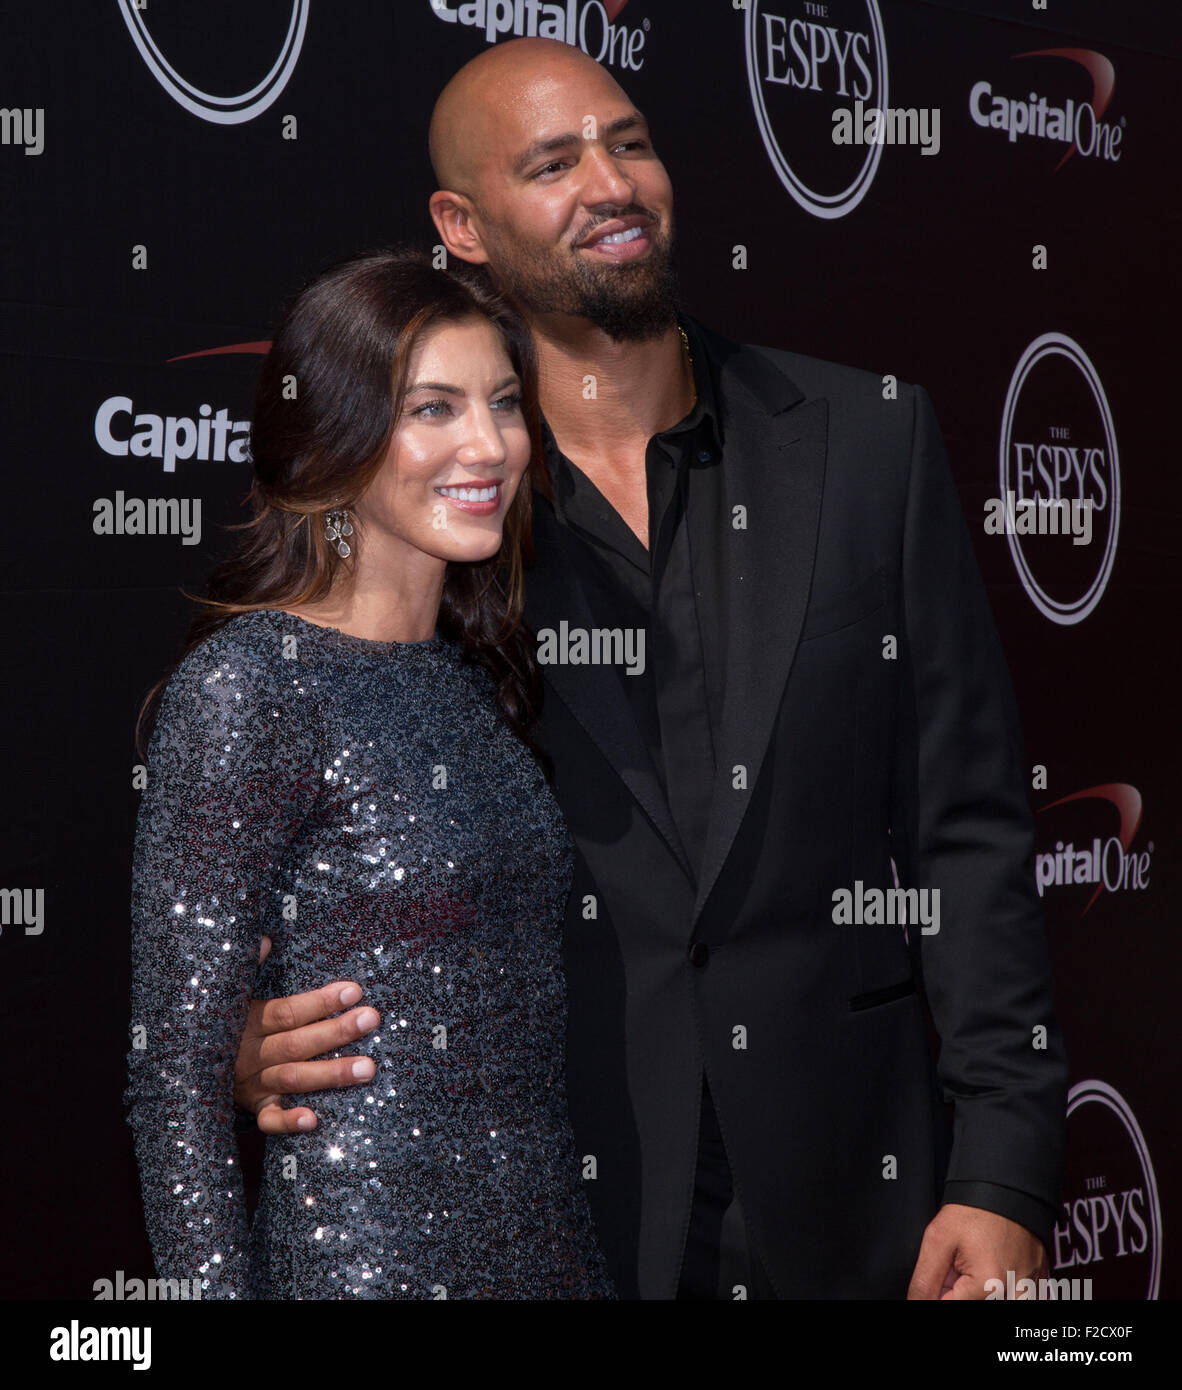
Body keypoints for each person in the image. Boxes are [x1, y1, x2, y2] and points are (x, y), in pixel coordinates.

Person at [231, 39, 1069, 1301]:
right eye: (553, 162)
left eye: (628, 143)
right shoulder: (431, 498)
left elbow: (971, 830)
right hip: (540, 1196)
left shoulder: (867, 440)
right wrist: (249, 1028)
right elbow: (304, 789)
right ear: (460, 224)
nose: (610, 182)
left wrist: (1004, 1171)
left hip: (855, 1191)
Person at [123, 246, 616, 1300]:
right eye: (432, 409)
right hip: (363, 1267)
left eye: (503, 403)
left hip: (550, 1258)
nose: (490, 444)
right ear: (336, 433)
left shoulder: (477, 677)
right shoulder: (251, 686)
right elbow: (173, 1088)